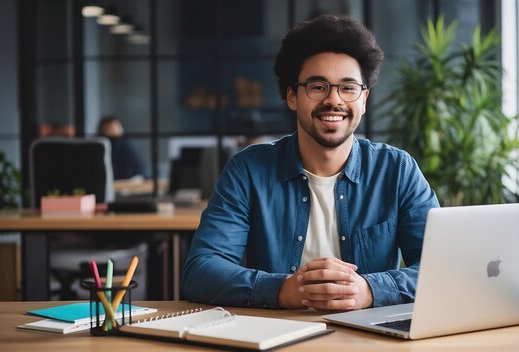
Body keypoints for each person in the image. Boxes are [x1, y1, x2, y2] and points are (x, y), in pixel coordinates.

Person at [181, 15, 439, 311]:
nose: (333, 100)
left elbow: (442, 267)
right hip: (274, 335)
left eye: (348, 87)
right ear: (292, 96)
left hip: (370, 337)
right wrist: (282, 290)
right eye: (317, 87)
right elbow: (200, 272)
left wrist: (370, 290)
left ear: (364, 99)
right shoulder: (247, 171)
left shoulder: (397, 170)